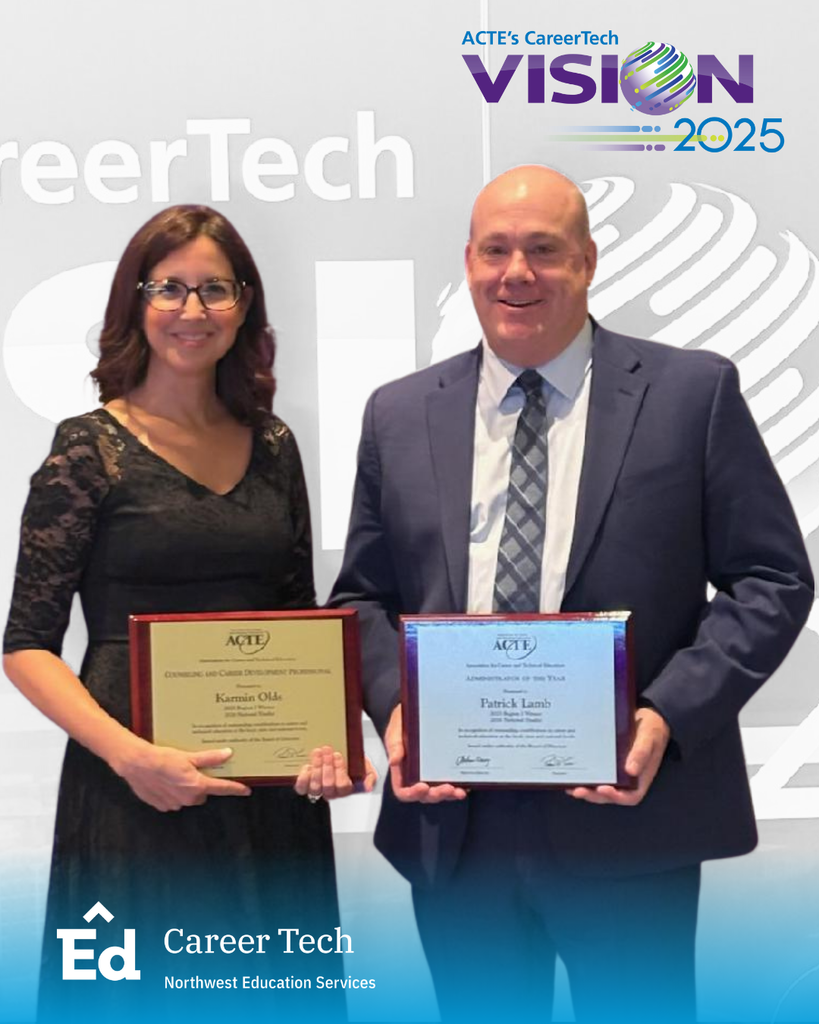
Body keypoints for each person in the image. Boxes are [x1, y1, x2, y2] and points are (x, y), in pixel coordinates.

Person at [330, 166, 814, 1022]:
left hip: (629, 816)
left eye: (543, 250)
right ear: (467, 263)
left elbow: (770, 578)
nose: (516, 272)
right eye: (495, 250)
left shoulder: (689, 394)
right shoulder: (399, 412)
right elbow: (361, 595)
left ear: (587, 261)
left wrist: (665, 715)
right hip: (455, 826)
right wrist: (394, 710)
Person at [3, 205, 373, 1022]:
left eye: (215, 289)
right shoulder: (86, 448)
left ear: (245, 307)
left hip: (267, 791)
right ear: (134, 303)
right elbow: (25, 645)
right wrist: (132, 757)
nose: (192, 311)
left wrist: (330, 746)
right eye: (169, 288)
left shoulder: (273, 443)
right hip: (133, 789)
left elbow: (297, 620)